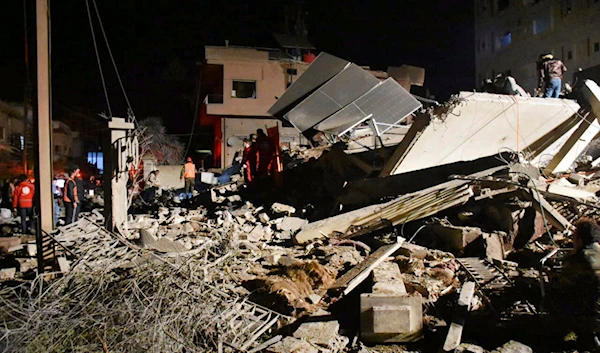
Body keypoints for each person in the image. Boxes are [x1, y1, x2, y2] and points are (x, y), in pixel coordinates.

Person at [550, 217, 600, 349]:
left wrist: (552, 277)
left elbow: (562, 284)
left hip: (593, 313)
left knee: (555, 297)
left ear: (580, 239)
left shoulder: (579, 259)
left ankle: (585, 336)